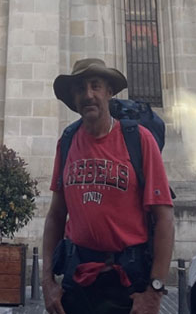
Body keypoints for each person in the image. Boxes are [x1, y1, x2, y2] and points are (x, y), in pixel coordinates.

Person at [42, 58, 174, 314]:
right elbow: (56, 216)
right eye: (80, 89)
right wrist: (47, 282)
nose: (88, 95)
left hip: (127, 285)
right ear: (73, 97)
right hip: (77, 282)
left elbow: (165, 219)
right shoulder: (67, 141)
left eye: (95, 86)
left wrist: (154, 292)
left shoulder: (139, 140)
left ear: (109, 92)